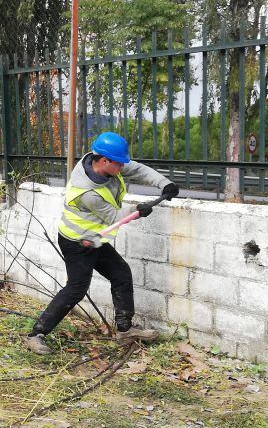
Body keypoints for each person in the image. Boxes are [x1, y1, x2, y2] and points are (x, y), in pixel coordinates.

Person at [22, 131, 178, 355]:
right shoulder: (87, 191)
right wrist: (138, 210)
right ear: (105, 161)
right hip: (77, 242)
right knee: (76, 289)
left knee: (121, 274)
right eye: (120, 163)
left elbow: (137, 169)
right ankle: (35, 335)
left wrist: (164, 184)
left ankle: (125, 331)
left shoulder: (102, 162)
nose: (123, 167)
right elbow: (115, 217)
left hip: (94, 238)